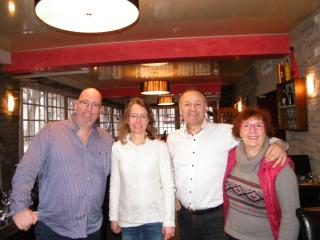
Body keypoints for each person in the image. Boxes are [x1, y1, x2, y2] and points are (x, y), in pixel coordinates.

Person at [166, 89, 287, 240]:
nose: (193, 109)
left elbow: (256, 138)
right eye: (187, 104)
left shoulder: (226, 132)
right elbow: (169, 170)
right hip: (184, 216)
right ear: (180, 109)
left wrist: (279, 144)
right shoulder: (173, 138)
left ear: (205, 108)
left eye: (198, 104)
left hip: (217, 217)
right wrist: (174, 194)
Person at [10, 88, 113, 240]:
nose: (89, 109)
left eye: (95, 105)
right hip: (54, 230)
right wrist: (19, 207)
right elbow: (26, 170)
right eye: (85, 103)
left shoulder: (107, 140)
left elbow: (121, 176)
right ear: (76, 104)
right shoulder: (51, 132)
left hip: (92, 229)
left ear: (100, 110)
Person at [223, 108, 300, 240]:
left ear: (266, 130)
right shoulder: (231, 155)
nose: (252, 130)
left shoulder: (279, 165)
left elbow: (291, 216)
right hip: (230, 233)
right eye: (246, 125)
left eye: (258, 125)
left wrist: (280, 144)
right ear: (239, 132)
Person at [109, 97, 175, 240]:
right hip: (128, 220)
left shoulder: (160, 147)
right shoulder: (117, 148)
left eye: (142, 116)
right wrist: (113, 216)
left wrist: (169, 221)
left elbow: (168, 186)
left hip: (156, 220)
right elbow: (115, 185)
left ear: (148, 120)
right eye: (134, 116)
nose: (138, 121)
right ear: (127, 119)